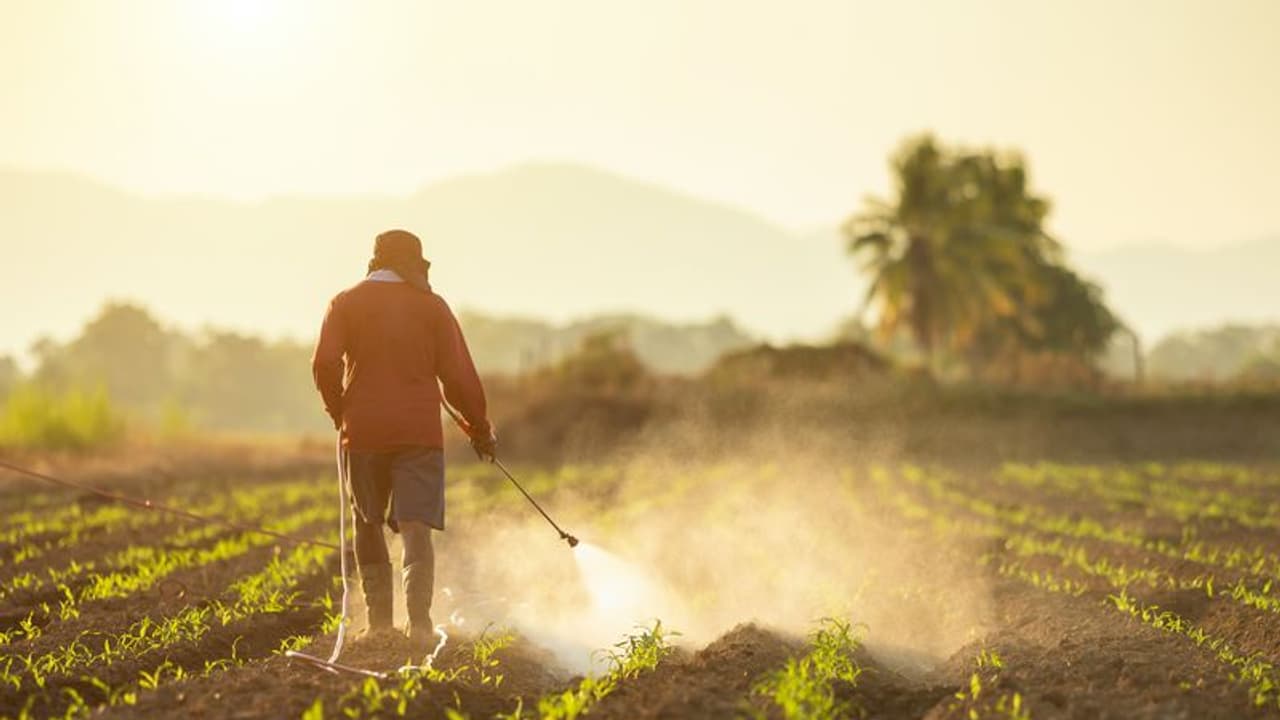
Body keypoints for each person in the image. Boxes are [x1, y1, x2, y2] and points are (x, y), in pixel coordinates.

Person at [311, 229, 496, 654]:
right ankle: (419, 625)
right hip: (419, 433)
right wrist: (480, 429)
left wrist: (340, 413)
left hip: (363, 432)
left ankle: (378, 625)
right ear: (414, 263)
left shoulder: (345, 302)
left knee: (367, 520)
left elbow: (323, 363)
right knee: (415, 529)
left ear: (375, 260)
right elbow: (458, 377)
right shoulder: (432, 307)